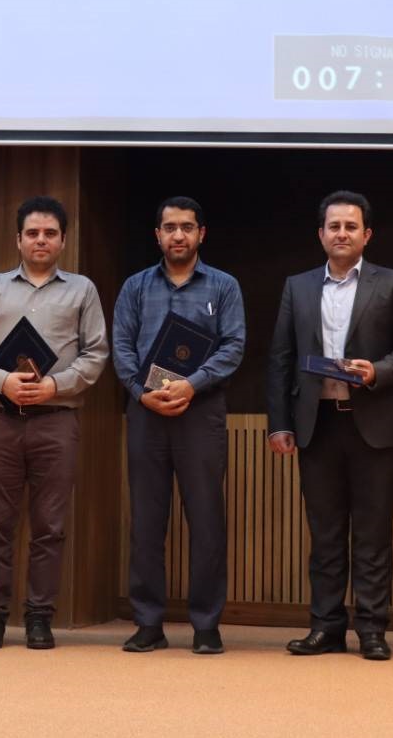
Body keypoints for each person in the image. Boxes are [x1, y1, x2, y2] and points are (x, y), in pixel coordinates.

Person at [265, 191, 393, 661]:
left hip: (374, 424)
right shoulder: (297, 287)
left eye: (351, 226)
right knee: (326, 535)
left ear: (366, 235)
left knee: (373, 534)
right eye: (333, 226)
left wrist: (376, 371)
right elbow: (281, 359)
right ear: (321, 234)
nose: (342, 234)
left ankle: (372, 629)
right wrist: (279, 423)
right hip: (318, 425)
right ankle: (326, 627)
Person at [0, 196, 109, 650]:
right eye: (32, 233)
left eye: (49, 233)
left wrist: (55, 386)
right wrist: (1, 380)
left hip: (56, 421)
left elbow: (96, 353)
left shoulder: (82, 290)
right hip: (0, 419)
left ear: (63, 240)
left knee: (49, 527)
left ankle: (40, 616)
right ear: (18, 239)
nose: (40, 240)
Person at [112, 196, 244, 655]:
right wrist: (139, 391)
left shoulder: (224, 286)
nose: (178, 235)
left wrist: (191, 384)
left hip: (201, 412)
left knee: (206, 521)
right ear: (158, 235)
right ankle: (148, 623)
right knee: (147, 522)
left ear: (201, 234)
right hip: (146, 412)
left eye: (187, 227)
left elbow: (233, 346)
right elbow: (121, 346)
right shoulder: (135, 287)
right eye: (169, 227)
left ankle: (206, 625)